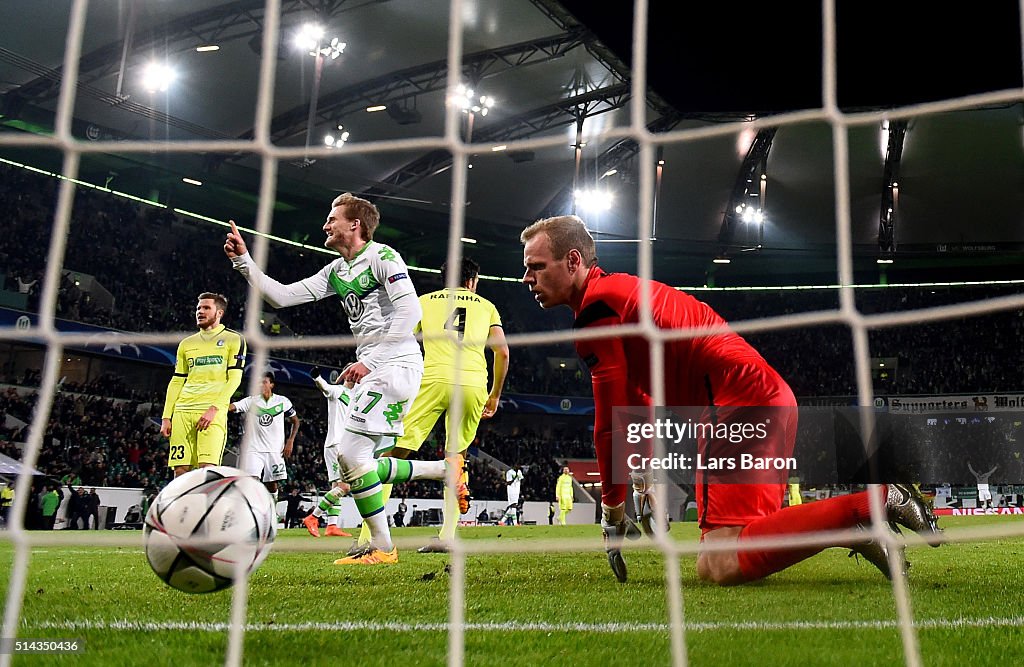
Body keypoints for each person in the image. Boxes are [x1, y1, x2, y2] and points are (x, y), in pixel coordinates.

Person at [520, 214, 942, 584]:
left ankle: (873, 503)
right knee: (752, 538)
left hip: (735, 401)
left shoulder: (597, 309)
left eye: (536, 267)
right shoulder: (619, 296)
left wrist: (611, 513)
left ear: (573, 261)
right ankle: (857, 523)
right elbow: (636, 406)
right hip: (764, 395)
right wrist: (642, 478)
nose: (527, 279)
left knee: (717, 563)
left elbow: (609, 423)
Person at [225, 194, 426, 565]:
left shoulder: (384, 257)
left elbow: (410, 311)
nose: (325, 225)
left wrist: (371, 361)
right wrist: (243, 261)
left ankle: (383, 546)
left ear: (356, 225)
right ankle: (442, 472)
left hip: (396, 363)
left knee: (351, 453)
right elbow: (282, 297)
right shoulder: (337, 271)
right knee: (360, 458)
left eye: (332, 219)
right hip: (375, 368)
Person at [377, 257, 509, 554]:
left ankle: (371, 538)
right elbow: (502, 352)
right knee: (456, 458)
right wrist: (495, 394)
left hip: (432, 379)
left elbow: (401, 344)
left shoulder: (423, 301)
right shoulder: (486, 306)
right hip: (473, 384)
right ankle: (447, 537)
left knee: (395, 451)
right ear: (473, 280)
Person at [161, 293, 246, 478]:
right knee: (180, 472)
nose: (200, 311)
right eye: (199, 308)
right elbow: (177, 380)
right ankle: (182, 508)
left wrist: (213, 408)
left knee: (207, 470)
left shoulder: (234, 339)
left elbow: (234, 379)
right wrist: (167, 416)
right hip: (183, 411)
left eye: (206, 308)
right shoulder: (186, 343)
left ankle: (204, 508)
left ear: (219, 313)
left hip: (211, 412)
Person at [302, 365, 355, 538]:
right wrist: (316, 377)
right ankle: (313, 517)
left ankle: (332, 526)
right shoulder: (338, 392)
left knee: (336, 488)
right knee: (344, 487)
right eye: (351, 373)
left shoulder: (357, 397)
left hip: (345, 446)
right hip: (336, 445)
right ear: (346, 375)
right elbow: (325, 387)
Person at [229, 372, 300, 502]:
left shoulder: (282, 401)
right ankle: (251, 511)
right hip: (254, 449)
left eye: (264, 382)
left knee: (272, 485)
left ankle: (272, 507)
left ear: (272, 385)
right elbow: (232, 407)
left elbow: (296, 421)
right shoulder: (251, 401)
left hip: (275, 450)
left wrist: (290, 441)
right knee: (251, 480)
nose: (261, 385)